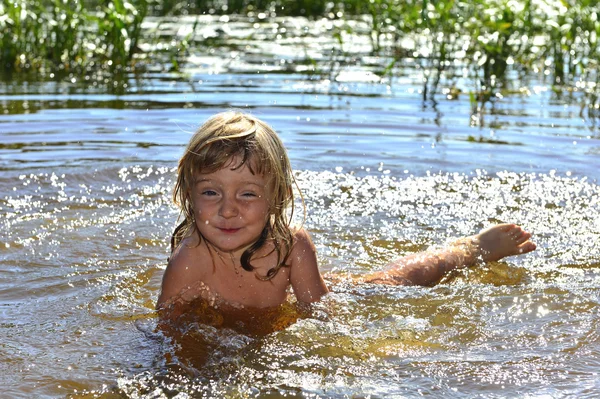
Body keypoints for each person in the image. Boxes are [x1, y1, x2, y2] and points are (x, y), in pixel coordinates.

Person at [156, 111, 536, 319]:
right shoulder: (191, 259)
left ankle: (469, 249)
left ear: (277, 197)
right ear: (189, 194)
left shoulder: (290, 247)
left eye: (248, 194)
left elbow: (323, 318)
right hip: (245, 321)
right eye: (211, 192)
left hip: (306, 294)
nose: (227, 209)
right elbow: (169, 334)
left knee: (395, 283)